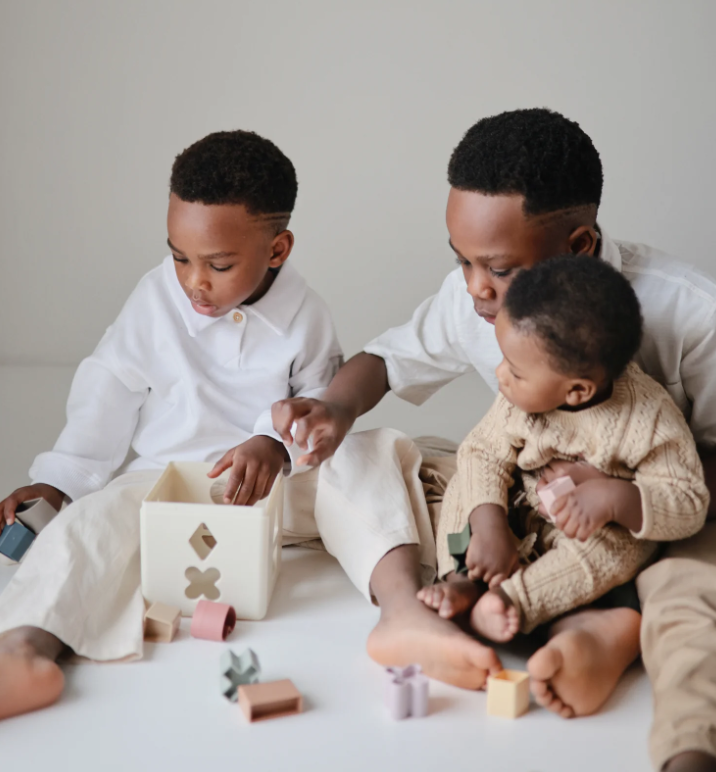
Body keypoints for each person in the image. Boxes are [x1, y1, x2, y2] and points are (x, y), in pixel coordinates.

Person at [273, 109, 716, 772]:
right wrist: (335, 407)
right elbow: (390, 361)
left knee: (696, 607)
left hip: (678, 511)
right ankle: (416, 610)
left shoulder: (687, 308)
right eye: (461, 260)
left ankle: (688, 739)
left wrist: (619, 496)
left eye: (499, 269)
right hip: (532, 511)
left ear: (580, 245)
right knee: (368, 455)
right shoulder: (474, 296)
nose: (476, 286)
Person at [0, 129, 495, 721]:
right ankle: (24, 647)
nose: (194, 281)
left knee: (373, 451)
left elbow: (318, 403)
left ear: (277, 250)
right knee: (89, 526)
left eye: (219, 264)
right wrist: (63, 478)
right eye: (179, 256)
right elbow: (108, 387)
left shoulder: (304, 312)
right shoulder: (156, 299)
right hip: (169, 480)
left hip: (282, 489)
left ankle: (401, 611)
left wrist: (276, 443)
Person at [420, 255, 709, 657]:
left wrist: (614, 498)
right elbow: (482, 453)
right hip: (520, 505)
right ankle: (461, 575)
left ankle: (513, 601)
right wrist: (489, 524)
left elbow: (690, 501)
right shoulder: (516, 400)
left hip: (587, 531)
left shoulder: (647, 418)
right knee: (464, 491)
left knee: (616, 552)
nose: (501, 375)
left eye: (516, 371)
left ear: (577, 391)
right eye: (503, 358)